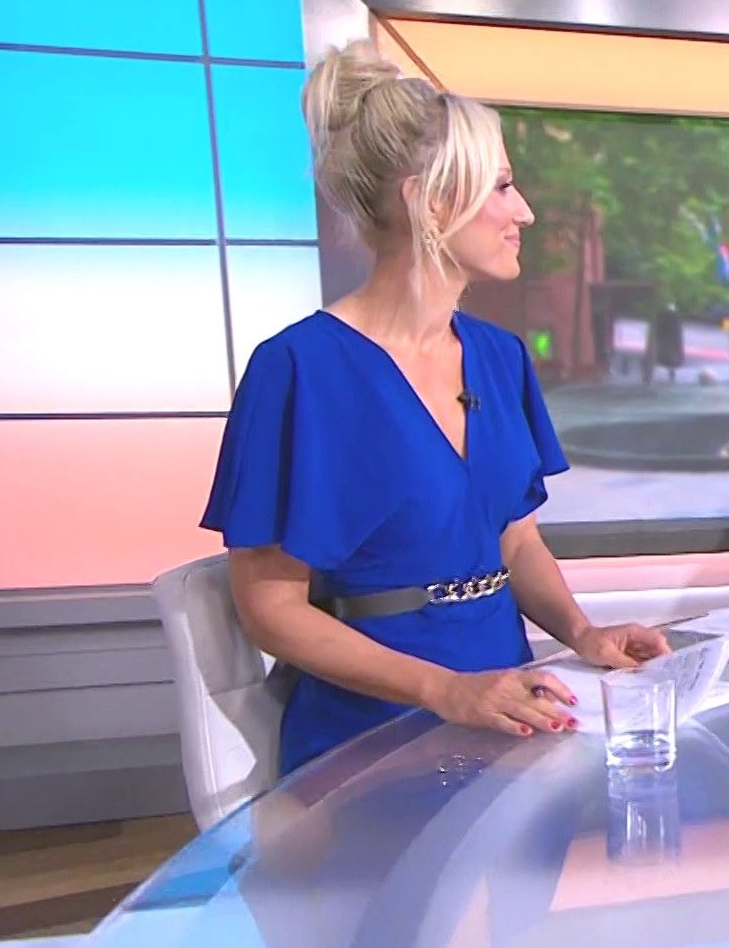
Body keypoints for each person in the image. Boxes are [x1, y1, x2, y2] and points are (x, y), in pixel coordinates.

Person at [201, 41, 667, 775]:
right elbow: (271, 610)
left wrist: (582, 634)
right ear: (430, 201)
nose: (525, 211)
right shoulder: (297, 370)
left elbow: (516, 544)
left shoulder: (500, 357)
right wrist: (446, 691)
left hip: (511, 711)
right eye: (501, 187)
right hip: (368, 737)